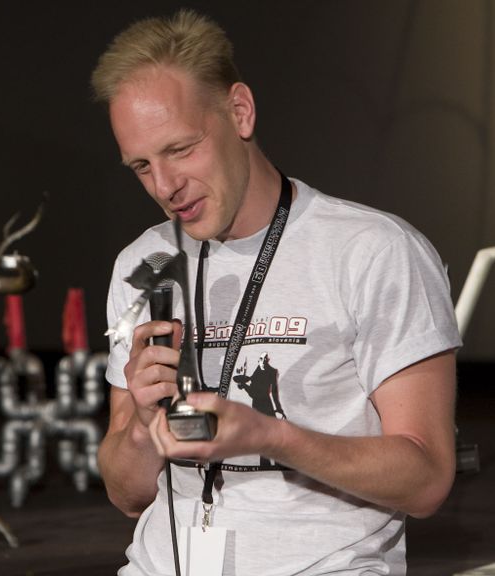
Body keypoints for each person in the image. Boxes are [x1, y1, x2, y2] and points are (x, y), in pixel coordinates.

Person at [91, 9, 461, 576]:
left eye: (181, 149)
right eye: (141, 166)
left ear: (239, 111)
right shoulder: (145, 264)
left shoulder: (372, 251)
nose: (165, 187)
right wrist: (141, 426)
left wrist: (267, 435)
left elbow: (427, 478)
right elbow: (127, 494)